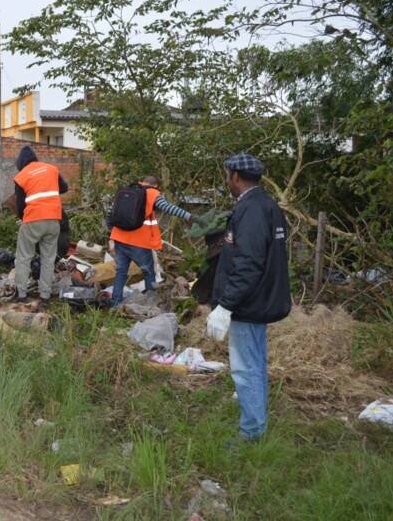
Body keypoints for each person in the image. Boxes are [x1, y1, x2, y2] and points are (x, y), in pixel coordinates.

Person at [206, 153, 291, 445]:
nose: (226, 180)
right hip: (257, 299)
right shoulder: (266, 205)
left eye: (227, 175)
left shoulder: (253, 210)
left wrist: (226, 305)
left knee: (246, 368)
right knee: (254, 364)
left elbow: (248, 262)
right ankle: (256, 425)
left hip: (248, 303)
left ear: (235, 177)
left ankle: (252, 433)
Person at [107, 176, 196, 306]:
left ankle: (115, 304)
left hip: (119, 239)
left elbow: (111, 212)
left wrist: (110, 231)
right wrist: (192, 217)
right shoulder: (153, 193)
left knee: (121, 273)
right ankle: (151, 305)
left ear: (142, 182)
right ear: (156, 186)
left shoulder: (127, 190)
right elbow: (169, 208)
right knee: (149, 273)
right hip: (139, 242)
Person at [12, 145, 68, 308]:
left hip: (33, 219)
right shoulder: (51, 169)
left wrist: (25, 221)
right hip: (54, 219)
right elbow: (64, 188)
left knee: (23, 257)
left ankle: (21, 295)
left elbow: (20, 206)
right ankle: (45, 297)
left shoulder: (22, 176)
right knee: (48, 259)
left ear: (20, 162)